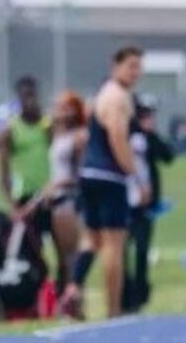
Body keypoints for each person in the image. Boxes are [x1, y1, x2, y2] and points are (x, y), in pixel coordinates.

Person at [61, 47, 146, 320]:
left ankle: (74, 287)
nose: (135, 73)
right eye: (131, 66)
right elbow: (117, 138)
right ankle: (114, 309)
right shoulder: (118, 97)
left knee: (92, 238)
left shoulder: (100, 94)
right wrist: (135, 176)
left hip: (90, 173)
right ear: (116, 65)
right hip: (110, 176)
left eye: (138, 67)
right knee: (114, 244)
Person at [22, 90, 87, 294]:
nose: (59, 112)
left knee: (72, 256)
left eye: (65, 108)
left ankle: (75, 297)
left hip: (69, 198)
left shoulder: (79, 137)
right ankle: (64, 296)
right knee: (62, 256)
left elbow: (81, 174)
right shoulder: (56, 134)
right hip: (55, 199)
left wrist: (58, 186)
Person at [122, 95, 173, 313]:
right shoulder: (123, 133)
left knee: (142, 250)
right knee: (121, 251)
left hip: (145, 205)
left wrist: (151, 133)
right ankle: (125, 295)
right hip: (124, 201)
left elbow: (168, 157)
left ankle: (140, 295)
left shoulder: (149, 138)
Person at [0, 77, 52, 238]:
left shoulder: (47, 125)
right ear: (19, 98)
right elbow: (4, 169)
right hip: (24, 195)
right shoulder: (10, 129)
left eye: (32, 95)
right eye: (25, 96)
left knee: (62, 245)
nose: (29, 100)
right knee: (31, 246)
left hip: (48, 194)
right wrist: (11, 203)